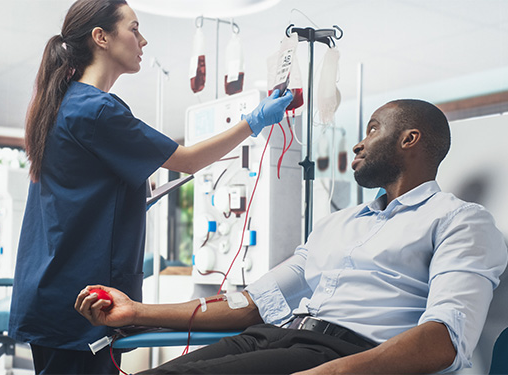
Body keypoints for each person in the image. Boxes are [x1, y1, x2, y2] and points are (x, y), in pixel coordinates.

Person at [75, 98, 508, 375]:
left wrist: (336, 373)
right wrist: (136, 312)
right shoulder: (338, 224)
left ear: (410, 139)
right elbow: (253, 303)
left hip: (343, 355)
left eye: (373, 129)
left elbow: (444, 340)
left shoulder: (461, 221)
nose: (358, 144)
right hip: (276, 337)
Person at [7, 0, 293, 374]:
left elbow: (73, 199)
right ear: (101, 38)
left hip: (52, 288)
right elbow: (187, 160)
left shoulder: (64, 103)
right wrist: (252, 123)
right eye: (134, 29)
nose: (144, 40)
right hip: (82, 300)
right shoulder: (98, 109)